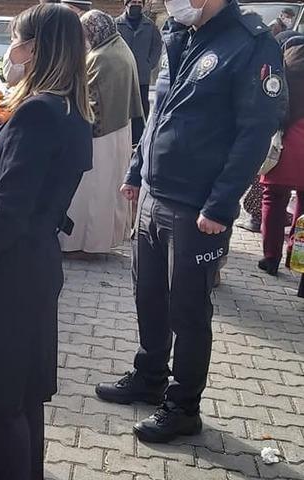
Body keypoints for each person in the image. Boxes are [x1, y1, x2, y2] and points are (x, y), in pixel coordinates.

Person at [95, 0, 285, 444]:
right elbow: (159, 110)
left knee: (188, 310)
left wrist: (221, 205)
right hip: (154, 195)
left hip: (197, 208)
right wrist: (136, 170)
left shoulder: (249, 43)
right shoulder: (180, 35)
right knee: (149, 297)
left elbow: (255, 132)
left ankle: (183, 408)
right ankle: (150, 376)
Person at [0, 5, 93, 479]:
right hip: (35, 264)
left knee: (3, 405)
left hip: (7, 271)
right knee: (23, 397)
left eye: (20, 39)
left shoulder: (39, 112)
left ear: (38, 48)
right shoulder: (70, 110)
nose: (14, 49)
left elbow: (8, 210)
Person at [60, 10, 143, 255]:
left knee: (91, 191)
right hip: (117, 130)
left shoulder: (103, 56)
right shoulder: (118, 46)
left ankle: (83, 242)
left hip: (101, 135)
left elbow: (91, 99)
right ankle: (100, 240)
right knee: (106, 189)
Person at [260, 34, 304, 274]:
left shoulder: (283, 71)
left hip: (284, 148)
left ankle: (271, 257)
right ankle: (297, 259)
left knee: (274, 201)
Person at [116, 0, 162, 143]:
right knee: (122, 109)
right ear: (126, 4)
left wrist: (149, 64)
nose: (135, 4)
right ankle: (123, 139)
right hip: (122, 77)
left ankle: (139, 141)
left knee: (142, 109)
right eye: (132, 1)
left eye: (138, 2)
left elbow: (157, 46)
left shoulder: (150, 26)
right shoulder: (116, 24)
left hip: (141, 76)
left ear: (142, 5)